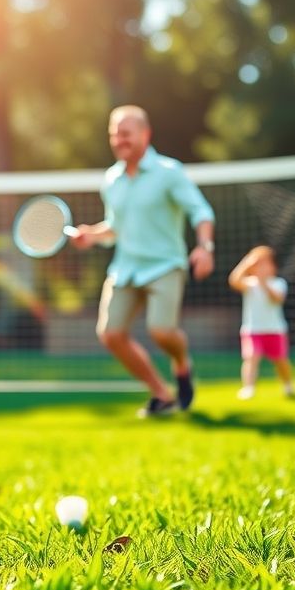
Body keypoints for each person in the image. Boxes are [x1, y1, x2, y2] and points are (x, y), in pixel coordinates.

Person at [70, 105, 215, 416]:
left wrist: (205, 247)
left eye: (125, 134)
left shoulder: (169, 172)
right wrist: (92, 235)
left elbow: (200, 212)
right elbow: (116, 226)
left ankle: (181, 362)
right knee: (110, 334)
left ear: (145, 134)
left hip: (164, 266)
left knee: (162, 331)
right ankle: (161, 394)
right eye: (113, 134)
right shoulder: (111, 180)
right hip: (125, 269)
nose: (119, 140)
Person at [228, 245, 294, 400]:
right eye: (257, 264)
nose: (261, 268)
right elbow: (233, 280)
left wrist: (264, 283)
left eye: (265, 263)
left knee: (281, 361)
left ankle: (288, 384)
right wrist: (246, 263)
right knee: (251, 357)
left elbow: (277, 298)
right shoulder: (249, 283)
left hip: (275, 330)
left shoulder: (278, 283)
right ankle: (248, 387)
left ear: (273, 266)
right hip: (252, 330)